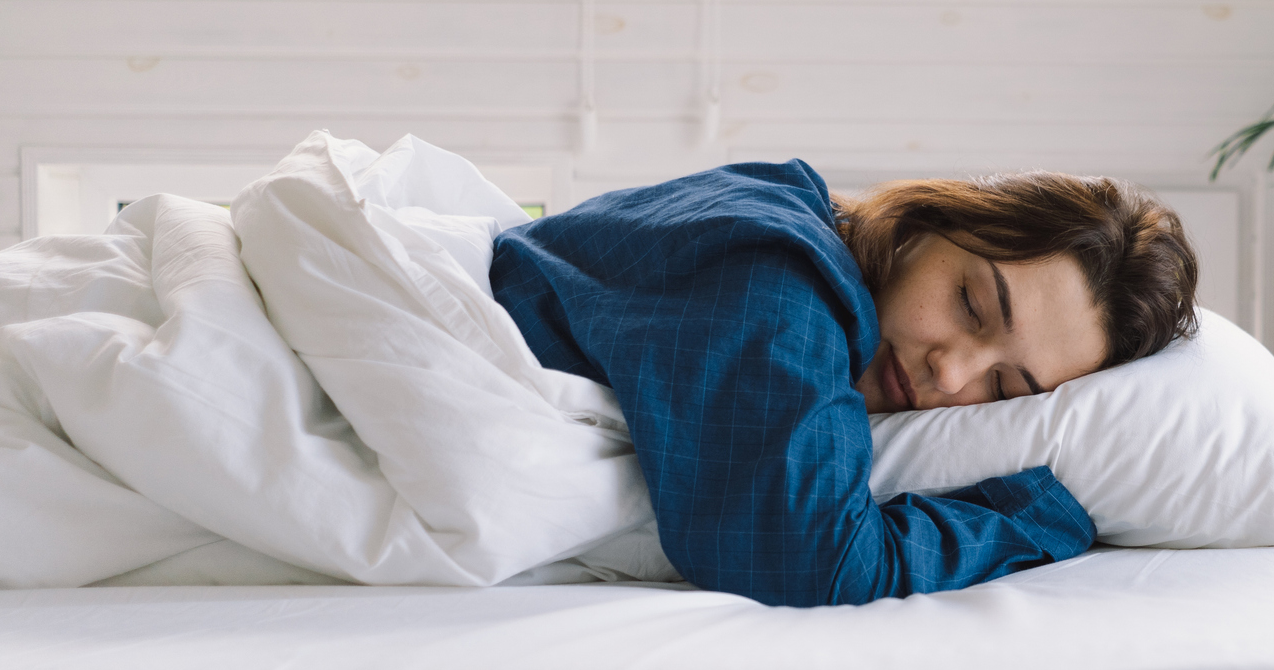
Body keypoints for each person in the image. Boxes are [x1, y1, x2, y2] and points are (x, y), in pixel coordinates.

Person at [489, 160, 1197, 607]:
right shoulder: (777, 293)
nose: (949, 373)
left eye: (1005, 388)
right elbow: (810, 564)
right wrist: (1038, 518)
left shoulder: (787, 201)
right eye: (971, 305)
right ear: (935, 222)